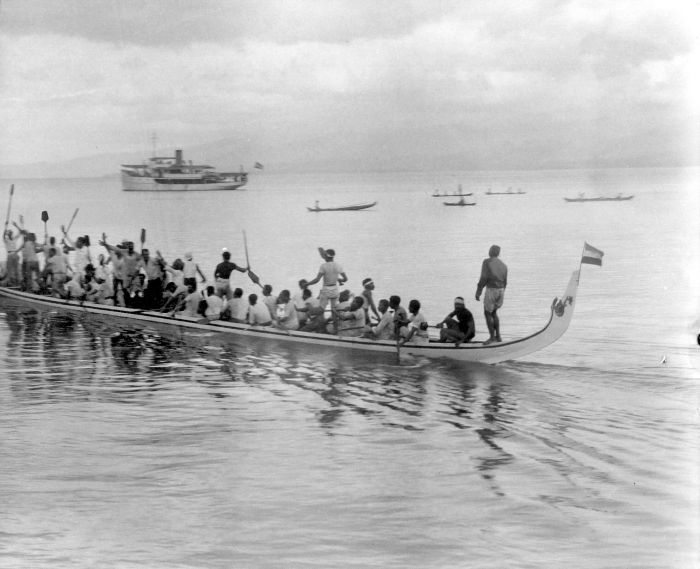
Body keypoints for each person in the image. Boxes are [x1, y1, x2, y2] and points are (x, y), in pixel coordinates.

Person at [304, 248, 348, 327]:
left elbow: (317, 280)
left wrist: (307, 284)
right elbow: (345, 279)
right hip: (334, 289)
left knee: (320, 309)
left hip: (326, 289)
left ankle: (308, 309)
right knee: (334, 311)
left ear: (326, 256)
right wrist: (338, 280)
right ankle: (335, 330)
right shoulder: (338, 266)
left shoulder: (323, 266)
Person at [475, 244, 507, 344]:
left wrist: (478, 291)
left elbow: (483, 277)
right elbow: (505, 281)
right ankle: (498, 336)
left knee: (487, 313)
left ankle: (492, 337)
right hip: (501, 289)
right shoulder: (503, 264)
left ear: (491, 252)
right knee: (494, 313)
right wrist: (502, 292)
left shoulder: (487, 262)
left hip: (492, 289)